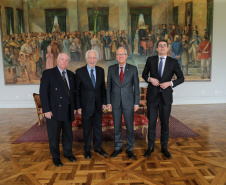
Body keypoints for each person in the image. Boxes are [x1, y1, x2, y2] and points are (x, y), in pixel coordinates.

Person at [142, 40, 184, 159]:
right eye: (160, 46)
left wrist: (170, 83)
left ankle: (164, 148)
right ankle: (150, 147)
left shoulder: (173, 62)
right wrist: (150, 79)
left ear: (167, 48)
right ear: (157, 48)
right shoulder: (151, 60)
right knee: (151, 123)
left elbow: (181, 78)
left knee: (165, 124)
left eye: (164, 46)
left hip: (166, 97)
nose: (162, 47)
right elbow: (144, 75)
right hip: (152, 97)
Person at [40, 53, 77, 167]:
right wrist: (46, 110)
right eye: (62, 60)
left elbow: (73, 94)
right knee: (54, 136)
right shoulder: (48, 73)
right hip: (53, 111)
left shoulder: (71, 74)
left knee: (68, 135)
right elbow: (43, 93)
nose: (64, 62)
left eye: (66, 60)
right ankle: (56, 157)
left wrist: (74, 107)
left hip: (68, 110)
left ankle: (68, 153)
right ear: (57, 60)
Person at [107, 47, 140, 159]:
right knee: (116, 126)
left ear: (126, 56)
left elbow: (136, 87)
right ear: (116, 56)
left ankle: (130, 148)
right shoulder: (111, 69)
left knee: (129, 127)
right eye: (118, 54)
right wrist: (108, 102)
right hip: (115, 102)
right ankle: (118, 147)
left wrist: (136, 103)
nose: (120, 56)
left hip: (129, 102)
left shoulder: (133, 69)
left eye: (122, 54)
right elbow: (109, 88)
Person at [75, 50, 107, 159]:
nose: (92, 60)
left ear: (97, 59)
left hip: (98, 105)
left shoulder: (101, 70)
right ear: (86, 59)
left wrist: (104, 102)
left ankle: (98, 147)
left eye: (94, 58)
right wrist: (78, 106)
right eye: (90, 58)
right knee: (87, 128)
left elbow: (103, 88)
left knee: (98, 128)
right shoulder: (79, 72)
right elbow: (77, 91)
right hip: (85, 106)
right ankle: (87, 148)